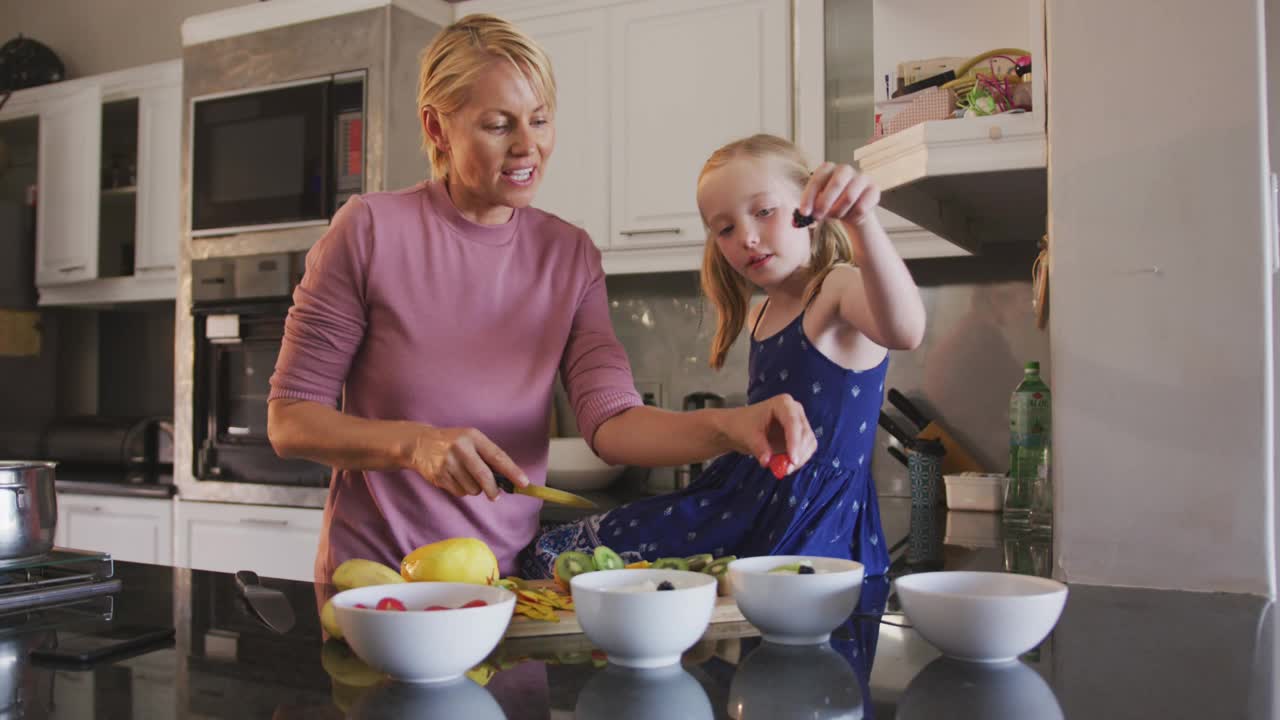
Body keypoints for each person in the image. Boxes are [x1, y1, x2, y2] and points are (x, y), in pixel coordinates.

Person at [265, 15, 818, 585]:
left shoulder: (568, 255)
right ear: (436, 128)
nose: (527, 146)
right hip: (377, 584)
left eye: (540, 120)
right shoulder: (370, 230)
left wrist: (735, 427)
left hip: (511, 589)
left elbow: (613, 423)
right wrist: (414, 445)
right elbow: (291, 420)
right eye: (498, 125)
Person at [528, 134, 925, 578]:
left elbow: (905, 330)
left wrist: (862, 223)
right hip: (743, 500)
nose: (748, 238)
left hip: (813, 519)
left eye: (764, 211)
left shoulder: (837, 288)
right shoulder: (761, 313)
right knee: (564, 558)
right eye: (726, 228)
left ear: (811, 210)